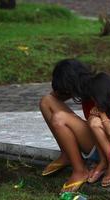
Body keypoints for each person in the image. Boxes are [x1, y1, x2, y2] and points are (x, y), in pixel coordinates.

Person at [39, 59, 98, 192]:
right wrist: (58, 88)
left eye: (66, 89)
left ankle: (80, 170)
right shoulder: (84, 86)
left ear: (72, 84)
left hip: (104, 145)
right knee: (46, 101)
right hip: (94, 138)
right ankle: (67, 154)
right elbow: (55, 96)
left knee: (59, 118)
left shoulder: (99, 89)